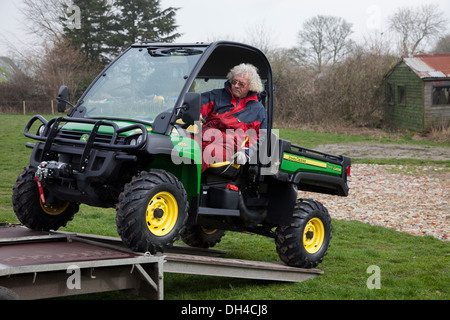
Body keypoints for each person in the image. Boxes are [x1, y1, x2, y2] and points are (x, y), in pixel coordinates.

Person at [199, 63, 267, 173]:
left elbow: (260, 136)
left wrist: (247, 152)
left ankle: (180, 186)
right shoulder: (217, 95)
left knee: (203, 155)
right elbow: (194, 105)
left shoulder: (257, 109)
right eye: (234, 81)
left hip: (228, 145)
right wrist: (195, 113)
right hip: (203, 135)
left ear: (250, 86)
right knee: (179, 148)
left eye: (241, 84)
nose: (236, 85)